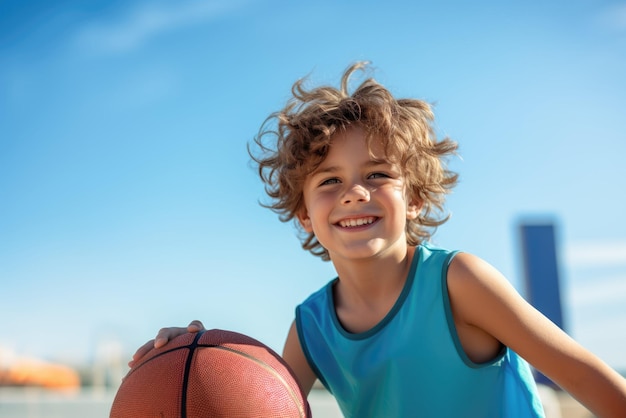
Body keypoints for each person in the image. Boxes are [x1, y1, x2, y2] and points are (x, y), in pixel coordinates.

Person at [130, 62, 626, 417]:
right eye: (329, 181)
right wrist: (198, 352)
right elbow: (262, 401)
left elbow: (587, 379)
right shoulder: (311, 326)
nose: (354, 193)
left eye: (378, 174)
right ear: (304, 214)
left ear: (414, 199)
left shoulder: (457, 281)